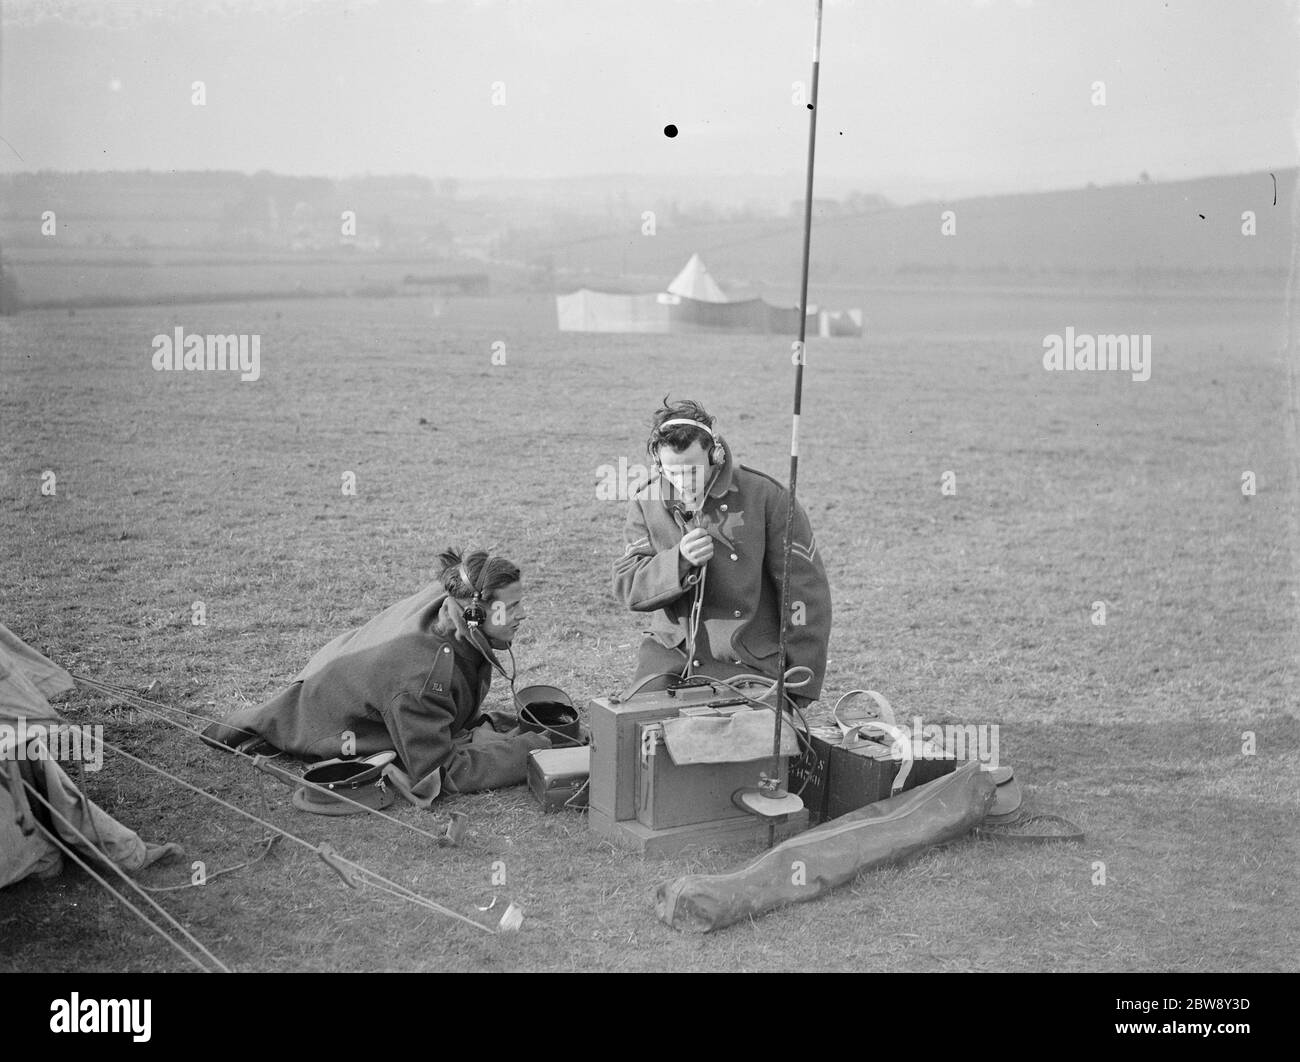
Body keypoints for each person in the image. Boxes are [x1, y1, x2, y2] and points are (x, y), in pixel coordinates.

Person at [201, 548, 552, 801]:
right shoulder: (421, 679)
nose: (523, 615)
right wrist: (531, 751)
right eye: (511, 607)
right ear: (473, 614)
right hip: (322, 718)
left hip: (341, 674)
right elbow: (440, 771)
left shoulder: (452, 599)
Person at [611, 397, 832, 706]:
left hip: (748, 663)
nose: (683, 482)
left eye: (692, 471)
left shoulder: (767, 498)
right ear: (658, 464)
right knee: (631, 735)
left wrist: (800, 680)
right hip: (670, 660)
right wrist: (678, 561)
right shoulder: (646, 502)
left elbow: (804, 594)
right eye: (672, 473)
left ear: (714, 455)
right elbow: (627, 586)